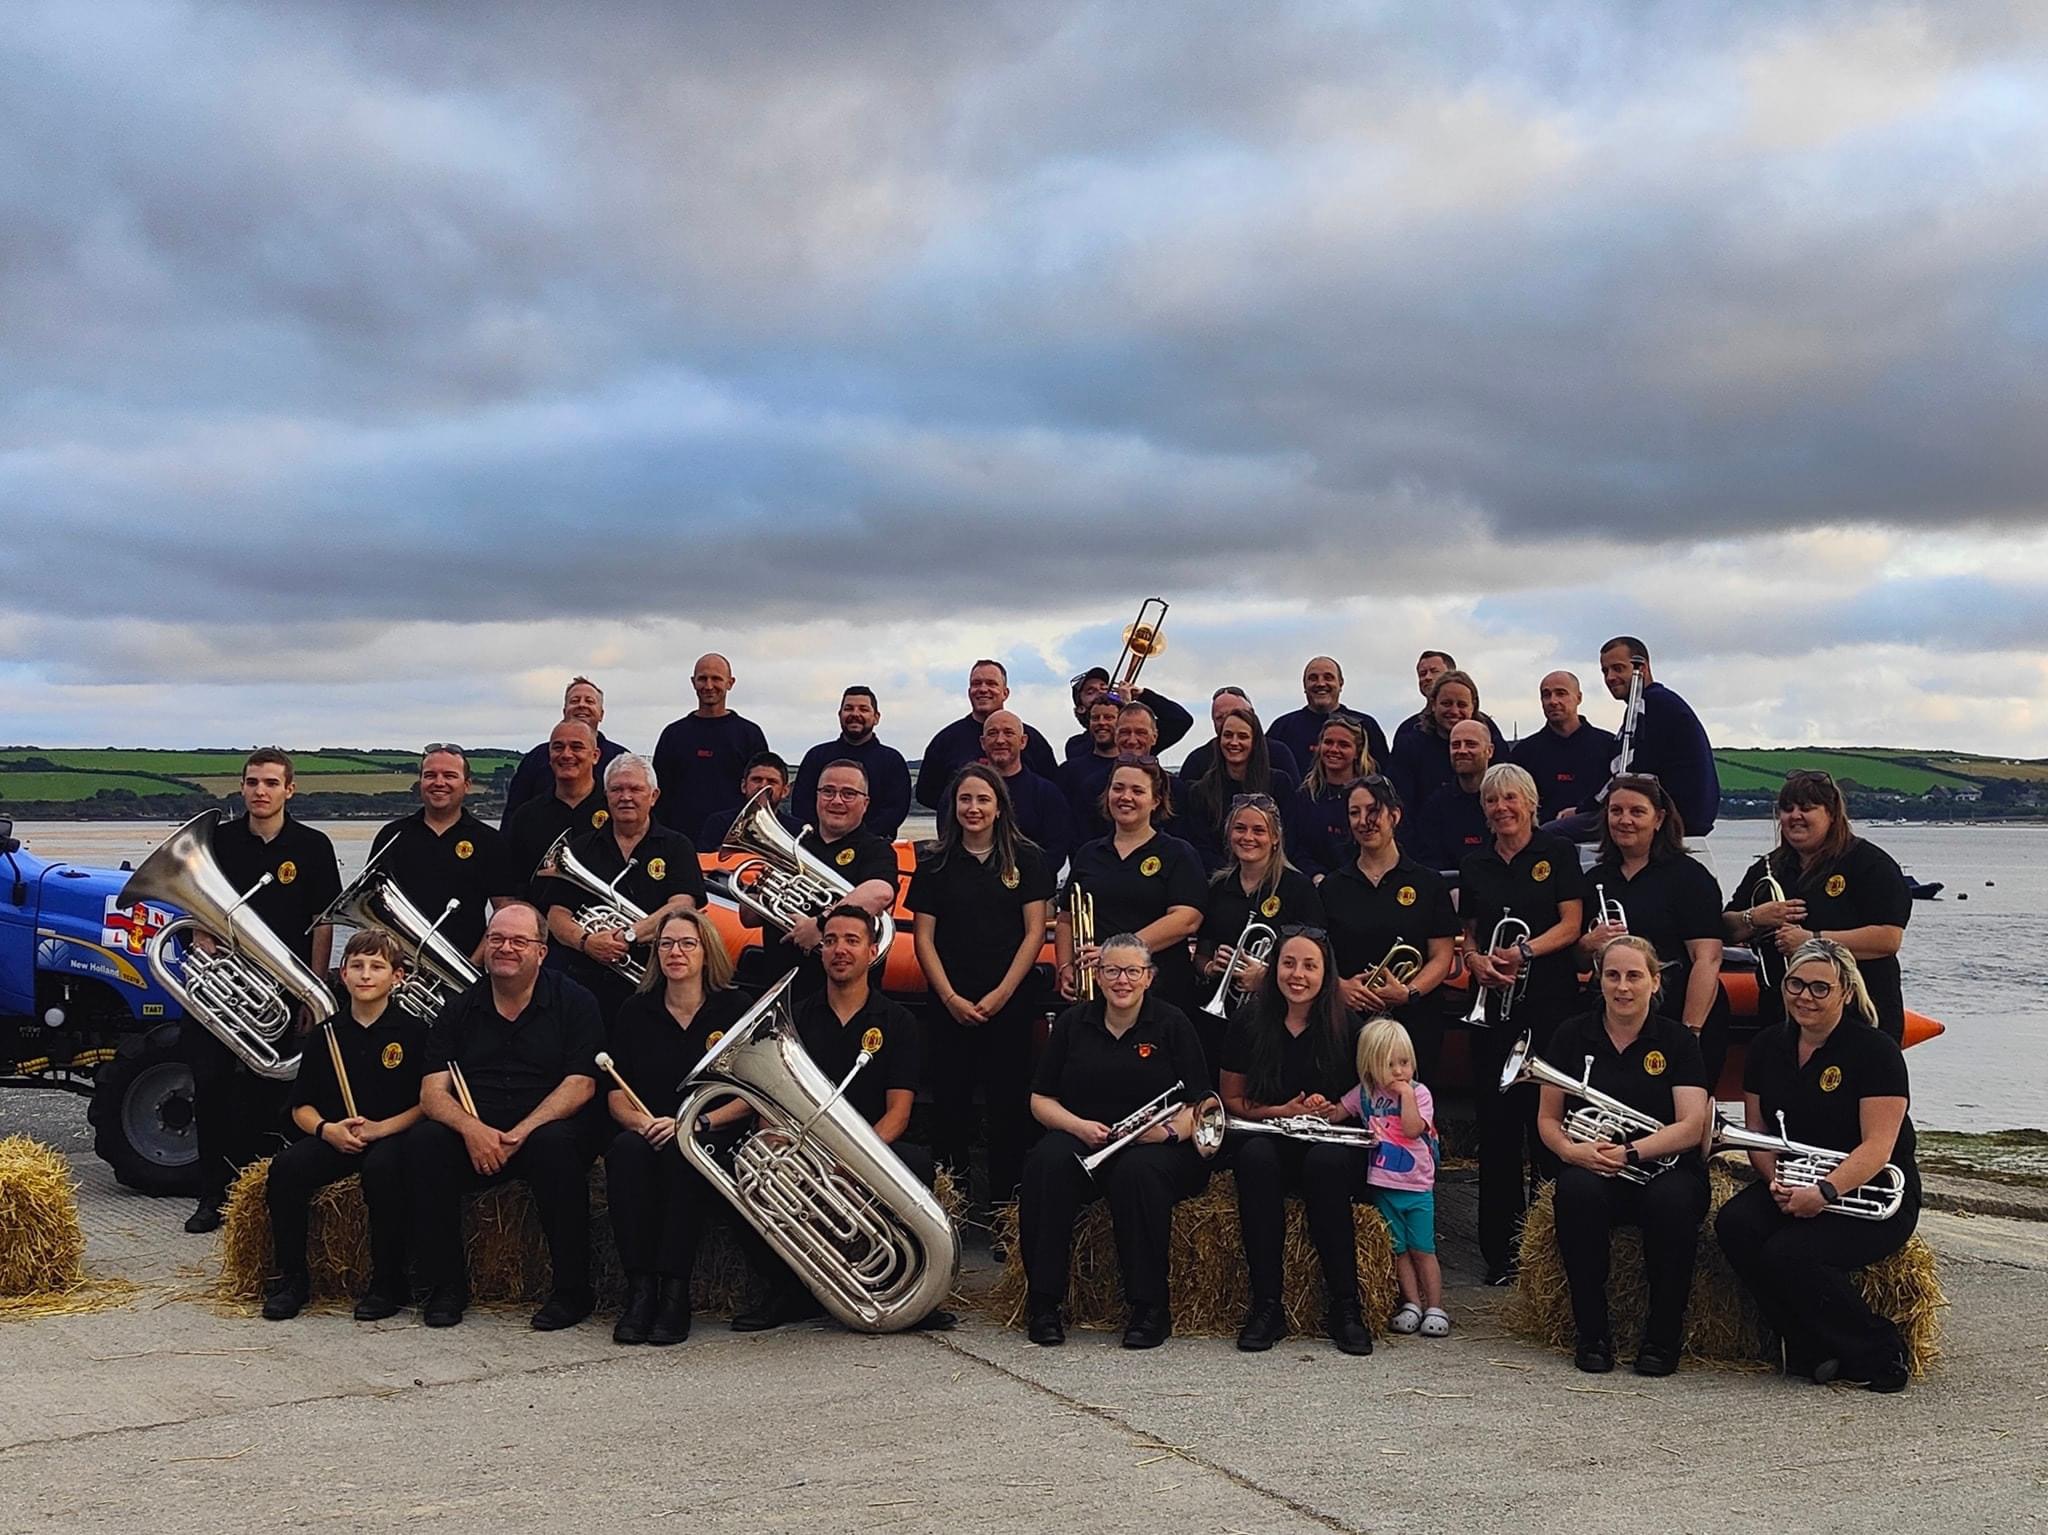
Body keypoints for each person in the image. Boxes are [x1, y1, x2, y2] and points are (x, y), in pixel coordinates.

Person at [1715, 940, 1921, 1391]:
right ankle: (1806, 1342)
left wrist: (1824, 1193)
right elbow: (1759, 1132)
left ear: (1846, 992)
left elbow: (1878, 1148)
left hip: (1873, 1192)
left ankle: (1880, 1350)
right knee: (1735, 1224)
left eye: (1819, 988)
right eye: (1795, 984)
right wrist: (1774, 1182)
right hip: (1795, 1180)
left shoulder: (1875, 1051)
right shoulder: (1769, 1045)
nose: (1804, 996)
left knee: (1789, 1253)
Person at [402, 902, 603, 1331]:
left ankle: (572, 1291)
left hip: (544, 1131)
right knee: (425, 1143)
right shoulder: (458, 1007)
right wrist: (472, 1130)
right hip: (480, 1136)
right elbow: (432, 1092)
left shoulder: (575, 1002)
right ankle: (446, 1286)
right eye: (497, 939)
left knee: (556, 1146)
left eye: (518, 941)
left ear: (541, 951)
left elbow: (581, 1084)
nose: (505, 948)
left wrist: (521, 1132)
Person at [737, 906, 937, 1331]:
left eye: (851, 941)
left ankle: (914, 1293)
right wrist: (777, 1143)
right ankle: (789, 1292)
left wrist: (853, 1161)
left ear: (872, 950)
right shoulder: (794, 1018)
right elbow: (771, 1102)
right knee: (754, 1176)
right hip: (806, 1149)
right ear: (820, 951)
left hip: (870, 1148)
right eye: (830, 941)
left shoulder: (898, 1022)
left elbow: (898, 1112)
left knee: (916, 1164)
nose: (839, 950)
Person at [1019, 933, 1215, 1349]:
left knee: (1137, 1174)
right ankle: (1044, 1304)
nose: (1121, 980)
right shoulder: (1074, 1023)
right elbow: (1040, 1099)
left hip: (1155, 1144)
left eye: (1132, 971)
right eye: (1111, 970)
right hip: (1087, 1135)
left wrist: (1160, 1132)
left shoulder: (1172, 1023)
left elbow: (1200, 1104)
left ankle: (1149, 1309)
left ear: (1149, 977)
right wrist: (1077, 1126)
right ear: (1098, 974)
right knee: (1046, 1164)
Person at [183, 748, 343, 1234]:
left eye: (271, 783)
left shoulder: (313, 846)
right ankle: (211, 1194)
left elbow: (322, 923)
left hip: (282, 988)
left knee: (265, 1093)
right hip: (223, 987)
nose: (260, 791)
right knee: (209, 1088)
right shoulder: (218, 840)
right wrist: (200, 935)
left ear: (289, 790)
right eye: (252, 782)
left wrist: (311, 992)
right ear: (242, 786)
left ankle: (259, 1194)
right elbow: (195, 906)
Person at [1539, 936, 1713, 1376]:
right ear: (1599, 980)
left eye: (1634, 976)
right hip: (1593, 1163)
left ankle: (1662, 1338)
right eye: (1612, 975)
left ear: (1655, 983)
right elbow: (1547, 1120)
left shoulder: (1677, 1041)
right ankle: (1592, 1334)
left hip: (1663, 1166)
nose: (1622, 986)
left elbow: (1692, 1126)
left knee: (1671, 1202)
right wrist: (1572, 1151)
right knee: (1575, 1192)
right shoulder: (1570, 1034)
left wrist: (1631, 1152)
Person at [1459, 762, 1588, 1285]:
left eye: (1511, 798)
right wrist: (1475, 961)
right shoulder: (1474, 863)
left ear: (1531, 803)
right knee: (1497, 1131)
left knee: (1548, 1130)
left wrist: (1524, 951)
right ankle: (1501, 1255)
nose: (1502, 808)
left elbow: (1573, 924)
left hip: (1549, 1009)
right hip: (1492, 1010)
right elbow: (1467, 934)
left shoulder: (1557, 853)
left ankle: (1548, 1247)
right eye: (1493, 800)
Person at [1217, 929, 1375, 1355]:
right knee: (1254, 1159)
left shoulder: (1350, 1026)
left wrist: (1334, 1109)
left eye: (1310, 966)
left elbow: (1373, 1097)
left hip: (1330, 1144)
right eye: (1288, 964)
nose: (1298, 975)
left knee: (1325, 1165)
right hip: (1272, 1134)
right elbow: (1232, 1100)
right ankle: (1267, 1306)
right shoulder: (1249, 1021)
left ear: (1327, 973)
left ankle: (1346, 1306)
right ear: (1274, 970)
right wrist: (1280, 1112)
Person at [602, 908, 754, 1346]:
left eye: (688, 943)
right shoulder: (636, 1010)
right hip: (650, 1128)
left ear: (707, 952)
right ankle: (640, 1289)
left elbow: (750, 1093)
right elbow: (616, 1094)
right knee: (625, 1154)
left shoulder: (735, 1007)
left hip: (712, 1129)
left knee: (683, 1155)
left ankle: (674, 1291)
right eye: (666, 944)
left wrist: (694, 1122)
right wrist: (644, 1123)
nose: (676, 952)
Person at [908, 765, 1055, 1214]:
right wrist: (950, 997)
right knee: (949, 1107)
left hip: (1008, 1003)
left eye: (983, 800)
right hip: (950, 1003)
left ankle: (1004, 1210)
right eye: (965, 800)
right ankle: (948, 1209)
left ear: (998, 807)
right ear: (954, 807)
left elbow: (1035, 934)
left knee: (1007, 1108)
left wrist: (1003, 993)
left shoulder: (1027, 859)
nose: (973, 808)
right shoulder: (934, 862)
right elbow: (923, 937)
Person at [260, 930, 426, 1322]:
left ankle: (388, 1283)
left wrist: (381, 1129)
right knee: (286, 1169)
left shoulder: (415, 1032)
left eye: (377, 967)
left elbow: (427, 1104)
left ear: (397, 977)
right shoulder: (326, 1034)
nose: (366, 975)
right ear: (344, 975)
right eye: (357, 966)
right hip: (337, 1135)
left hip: (391, 1135)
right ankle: (292, 1280)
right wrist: (326, 1130)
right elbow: (301, 1106)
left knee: (381, 1170)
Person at [1726, 770, 1911, 1042]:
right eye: (1787, 809)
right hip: (1783, 1014)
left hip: (1859, 1010)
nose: (1794, 816)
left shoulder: (1870, 864)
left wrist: (1811, 940)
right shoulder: (1768, 867)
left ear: (1832, 814)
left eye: (1807, 808)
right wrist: (1754, 917)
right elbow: (1724, 929)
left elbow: (1888, 939)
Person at [1577, 773, 1730, 1085]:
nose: (1624, 820)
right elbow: (1579, 962)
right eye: (1616, 811)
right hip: (1617, 1020)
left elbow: (1707, 959)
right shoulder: (1596, 880)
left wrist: (1689, 1034)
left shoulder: (1690, 877)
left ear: (1659, 819)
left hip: (1678, 1012)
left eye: (1637, 812)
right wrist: (1588, 943)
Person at [539, 754, 707, 1024]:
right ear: (606, 796)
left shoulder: (677, 846)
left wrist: (628, 935)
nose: (625, 797)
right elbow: (556, 915)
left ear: (653, 796)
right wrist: (588, 942)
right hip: (586, 981)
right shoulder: (580, 849)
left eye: (635, 789)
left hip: (657, 979)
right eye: (617, 789)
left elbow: (683, 906)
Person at [1318, 776, 1459, 1086]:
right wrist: (1339, 987)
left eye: (1374, 810)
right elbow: (1318, 954)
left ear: (1395, 815)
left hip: (1414, 1022)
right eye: (1355, 812)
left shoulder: (1428, 882)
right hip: (1350, 1020)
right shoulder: (1332, 887)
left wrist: (1408, 993)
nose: (1364, 821)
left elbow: (1441, 956)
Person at [1056, 756, 1206, 1026]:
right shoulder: (1088, 853)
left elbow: (1187, 919)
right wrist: (1066, 966)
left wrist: (1115, 953)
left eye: (1137, 791)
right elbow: (1066, 917)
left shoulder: (1178, 853)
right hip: (1099, 993)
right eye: (1118, 788)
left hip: (1161, 994)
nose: (1125, 797)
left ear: (1156, 800)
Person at [742, 760, 899, 999]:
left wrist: (820, 926)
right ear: (817, 797)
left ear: (865, 803)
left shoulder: (876, 849)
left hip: (846, 997)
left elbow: (880, 892)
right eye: (828, 791)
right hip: (782, 988)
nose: (836, 801)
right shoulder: (793, 846)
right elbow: (748, 916)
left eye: (848, 794)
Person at [1194, 795, 1323, 1063]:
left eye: (1259, 830)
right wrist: (1210, 966)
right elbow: (1201, 953)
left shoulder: (1298, 888)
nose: (1248, 837)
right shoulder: (1218, 887)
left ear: (1275, 838)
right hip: (1222, 1016)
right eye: (1240, 828)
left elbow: (1317, 957)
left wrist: (1265, 975)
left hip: (1278, 1014)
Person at [1343, 1018, 1446, 1339]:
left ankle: (1436, 1306)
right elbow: (1337, 1111)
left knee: (1423, 1248)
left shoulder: (1420, 1093)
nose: (1400, 1071)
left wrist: (1407, 1097)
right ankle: (1412, 1303)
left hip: (1416, 1187)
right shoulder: (1365, 1093)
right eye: (1390, 1065)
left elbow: (1414, 1129)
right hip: (1384, 1186)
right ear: (1371, 1066)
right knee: (1399, 1249)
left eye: (1405, 1062)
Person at [368, 743, 517, 962]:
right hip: (400, 968)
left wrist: (471, 967)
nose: (439, 783)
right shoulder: (391, 835)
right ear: (420, 783)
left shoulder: (489, 841)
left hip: (467, 968)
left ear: (466, 785)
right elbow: (372, 906)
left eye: (449, 775)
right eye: (430, 775)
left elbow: (504, 912)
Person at [1579, 637, 1719, 838]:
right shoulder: (1663, 703)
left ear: (1641, 668)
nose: (1610, 677)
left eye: (1618, 668)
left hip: (1672, 818)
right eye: (1605, 671)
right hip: (1689, 816)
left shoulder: (1648, 705)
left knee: (1554, 835)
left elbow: (1624, 771)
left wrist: (1584, 808)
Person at [652, 654, 772, 840]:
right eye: (702, 679)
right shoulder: (673, 734)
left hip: (733, 842)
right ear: (693, 682)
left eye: (716, 679)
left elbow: (760, 794)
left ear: (730, 683)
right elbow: (659, 794)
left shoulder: (749, 734)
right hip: (679, 841)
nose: (709, 686)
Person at [915, 659, 1058, 810]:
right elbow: (926, 794)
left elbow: (1052, 789)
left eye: (991, 683)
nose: (983, 689)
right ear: (969, 691)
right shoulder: (945, 741)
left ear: (1005, 693)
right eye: (976, 684)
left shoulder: (1031, 739)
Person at [1180, 707, 1301, 872]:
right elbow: (1201, 846)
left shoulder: (1279, 784)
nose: (1234, 742)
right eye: (1228, 735)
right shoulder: (1201, 791)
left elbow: (1290, 838)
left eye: (1243, 736)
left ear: (1255, 741)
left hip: (1273, 875)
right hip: (1219, 881)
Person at [502, 720, 609, 904]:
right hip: (540, 927)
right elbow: (509, 884)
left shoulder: (615, 810)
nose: (566, 754)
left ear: (595, 756)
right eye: (558, 747)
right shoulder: (526, 816)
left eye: (577, 747)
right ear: (549, 756)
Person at [790, 686, 913, 839]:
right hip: (818, 848)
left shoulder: (893, 761)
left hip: (874, 849)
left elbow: (895, 810)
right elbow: (801, 805)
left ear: (876, 717)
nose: (855, 714)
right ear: (839, 714)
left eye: (863, 709)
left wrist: (860, 839)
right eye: (849, 708)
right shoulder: (816, 756)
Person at [502, 677, 627, 822]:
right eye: (574, 701)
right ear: (564, 711)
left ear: (601, 714)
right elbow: (514, 811)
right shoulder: (536, 758)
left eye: (589, 701)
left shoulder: (621, 760)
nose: (581, 705)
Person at [1387, 669, 1507, 818]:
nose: (1454, 711)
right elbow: (1400, 803)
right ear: (1433, 704)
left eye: (1462, 705)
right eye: (1446, 703)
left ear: (1473, 706)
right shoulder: (1410, 745)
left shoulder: (1491, 736)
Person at [1061, 698, 1172, 844]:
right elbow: (1081, 844)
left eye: (1141, 733)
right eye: (1125, 732)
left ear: (1154, 737)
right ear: (1116, 736)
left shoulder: (1174, 789)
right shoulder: (1091, 788)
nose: (1132, 740)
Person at [1511, 672, 1616, 825]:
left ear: (1579, 698)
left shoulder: (1608, 746)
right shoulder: (1524, 753)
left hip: (1597, 836)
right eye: (1546, 695)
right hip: (1542, 840)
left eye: (1561, 693)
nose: (1553, 701)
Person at [979, 709, 1075, 872]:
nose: (1000, 740)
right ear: (982, 742)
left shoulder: (1047, 794)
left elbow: (1057, 850)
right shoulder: (963, 793)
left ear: (1023, 741)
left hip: (1032, 889)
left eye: (1009, 733)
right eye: (992, 733)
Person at [1268, 656, 1390, 778]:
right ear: (1304, 685)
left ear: (1340, 683)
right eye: (1313, 678)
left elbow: (1385, 774)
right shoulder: (1282, 728)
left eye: (1328, 678)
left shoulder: (1366, 726)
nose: (1321, 683)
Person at [1290, 712, 1373, 877]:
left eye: (1343, 745)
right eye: (1328, 742)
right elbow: (1296, 849)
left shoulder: (1372, 797)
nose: (1334, 749)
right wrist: (1315, 875)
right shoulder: (1305, 796)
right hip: (1316, 886)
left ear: (1357, 751)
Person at [1406, 719, 1494, 871]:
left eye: (1471, 744)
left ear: (1489, 751)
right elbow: (1428, 860)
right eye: (1455, 745)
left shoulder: (1504, 800)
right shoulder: (1436, 805)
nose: (1462, 751)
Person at [1178, 687, 1302, 791]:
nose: (1230, 720)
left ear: (1252, 714)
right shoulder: (1197, 761)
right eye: (1220, 717)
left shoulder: (1278, 755)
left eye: (1236, 713)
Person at [1061, 667, 1194, 761]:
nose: (1101, 693)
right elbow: (1102, 745)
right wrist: (1127, 708)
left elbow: (1181, 720)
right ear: (1080, 708)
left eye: (1103, 687)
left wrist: (1143, 695)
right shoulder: (1076, 744)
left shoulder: (1141, 736)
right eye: (1091, 692)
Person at [699, 751, 799, 850]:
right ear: (743, 786)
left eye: (772, 781)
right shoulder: (718, 823)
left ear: (785, 791)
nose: (763, 786)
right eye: (756, 780)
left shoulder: (797, 830)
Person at [1388, 649, 1458, 757]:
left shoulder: (1481, 724)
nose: (1427, 677)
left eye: (1434, 671)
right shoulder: (1409, 729)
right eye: (1422, 674)